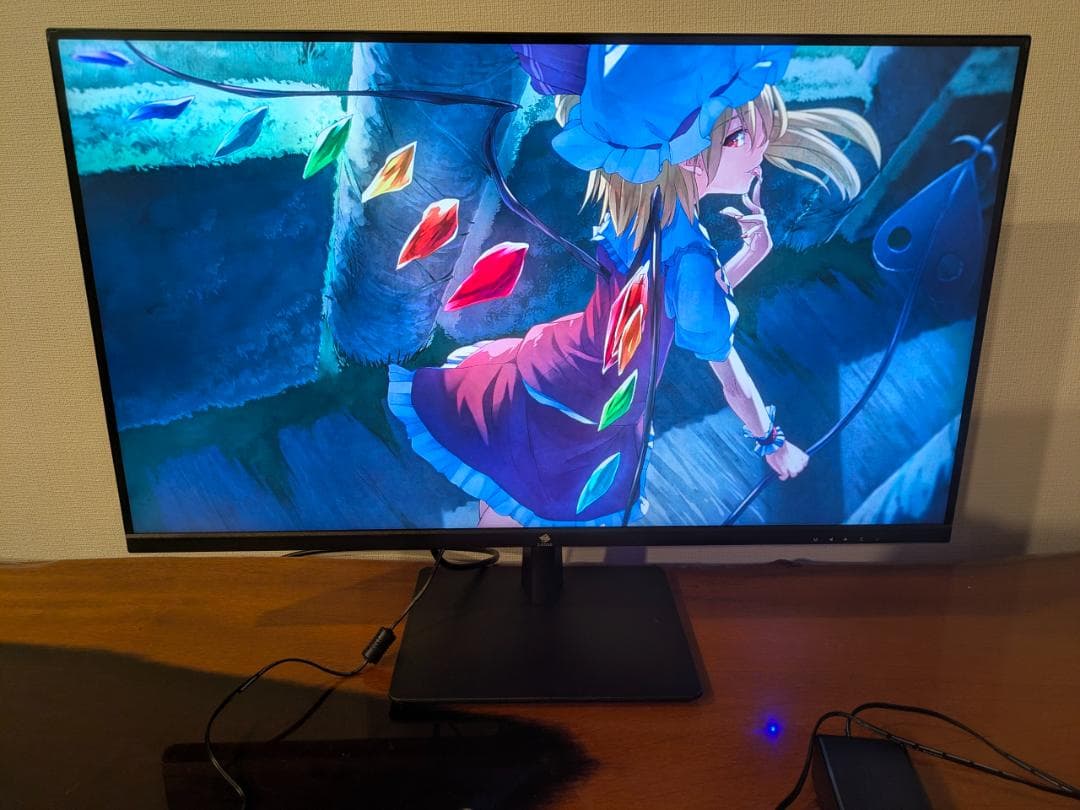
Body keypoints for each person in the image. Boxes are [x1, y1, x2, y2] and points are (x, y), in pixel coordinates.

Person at [387, 44, 880, 528]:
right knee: (522, 500)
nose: (761, 147)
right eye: (735, 137)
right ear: (689, 154)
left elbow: (672, 308)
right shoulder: (690, 256)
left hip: (564, 362)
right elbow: (730, 377)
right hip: (588, 406)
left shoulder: (638, 211)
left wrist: (749, 257)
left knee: (509, 485)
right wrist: (774, 444)